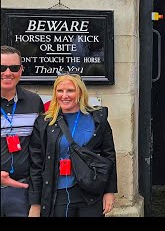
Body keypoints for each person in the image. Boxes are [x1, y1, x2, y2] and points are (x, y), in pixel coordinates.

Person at [28, 74, 117, 217]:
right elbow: (36, 164)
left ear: (80, 92)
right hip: (57, 194)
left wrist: (109, 191)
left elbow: (109, 157)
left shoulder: (97, 120)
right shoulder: (44, 123)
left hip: (90, 191)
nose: (64, 96)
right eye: (60, 91)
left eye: (70, 90)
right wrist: (35, 203)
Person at [1, 45, 44, 217]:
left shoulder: (34, 102)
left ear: (21, 69)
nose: (8, 73)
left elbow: (40, 149)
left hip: (21, 191)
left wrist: (36, 199)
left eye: (14, 68)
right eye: (2, 68)